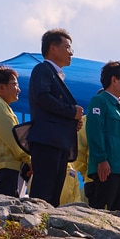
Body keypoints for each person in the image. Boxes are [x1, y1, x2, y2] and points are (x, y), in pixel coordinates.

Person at [27, 28, 85, 205]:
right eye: (67, 47)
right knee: (43, 191)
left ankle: (45, 229)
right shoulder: (42, 69)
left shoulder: (56, 75)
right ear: (53, 48)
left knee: (54, 194)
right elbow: (43, 98)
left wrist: (71, 121)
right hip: (47, 140)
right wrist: (70, 111)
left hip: (59, 142)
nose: (71, 53)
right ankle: (35, 228)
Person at [85, 61, 120, 212]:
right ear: (114, 80)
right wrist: (101, 159)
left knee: (117, 218)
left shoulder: (119, 108)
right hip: (107, 170)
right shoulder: (99, 101)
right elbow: (94, 131)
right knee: (102, 215)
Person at [0, 65, 30, 198]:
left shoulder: (2, 106)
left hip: (8, 168)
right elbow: (13, 139)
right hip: (4, 169)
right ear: (1, 87)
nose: (19, 89)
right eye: (15, 84)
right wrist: (30, 159)